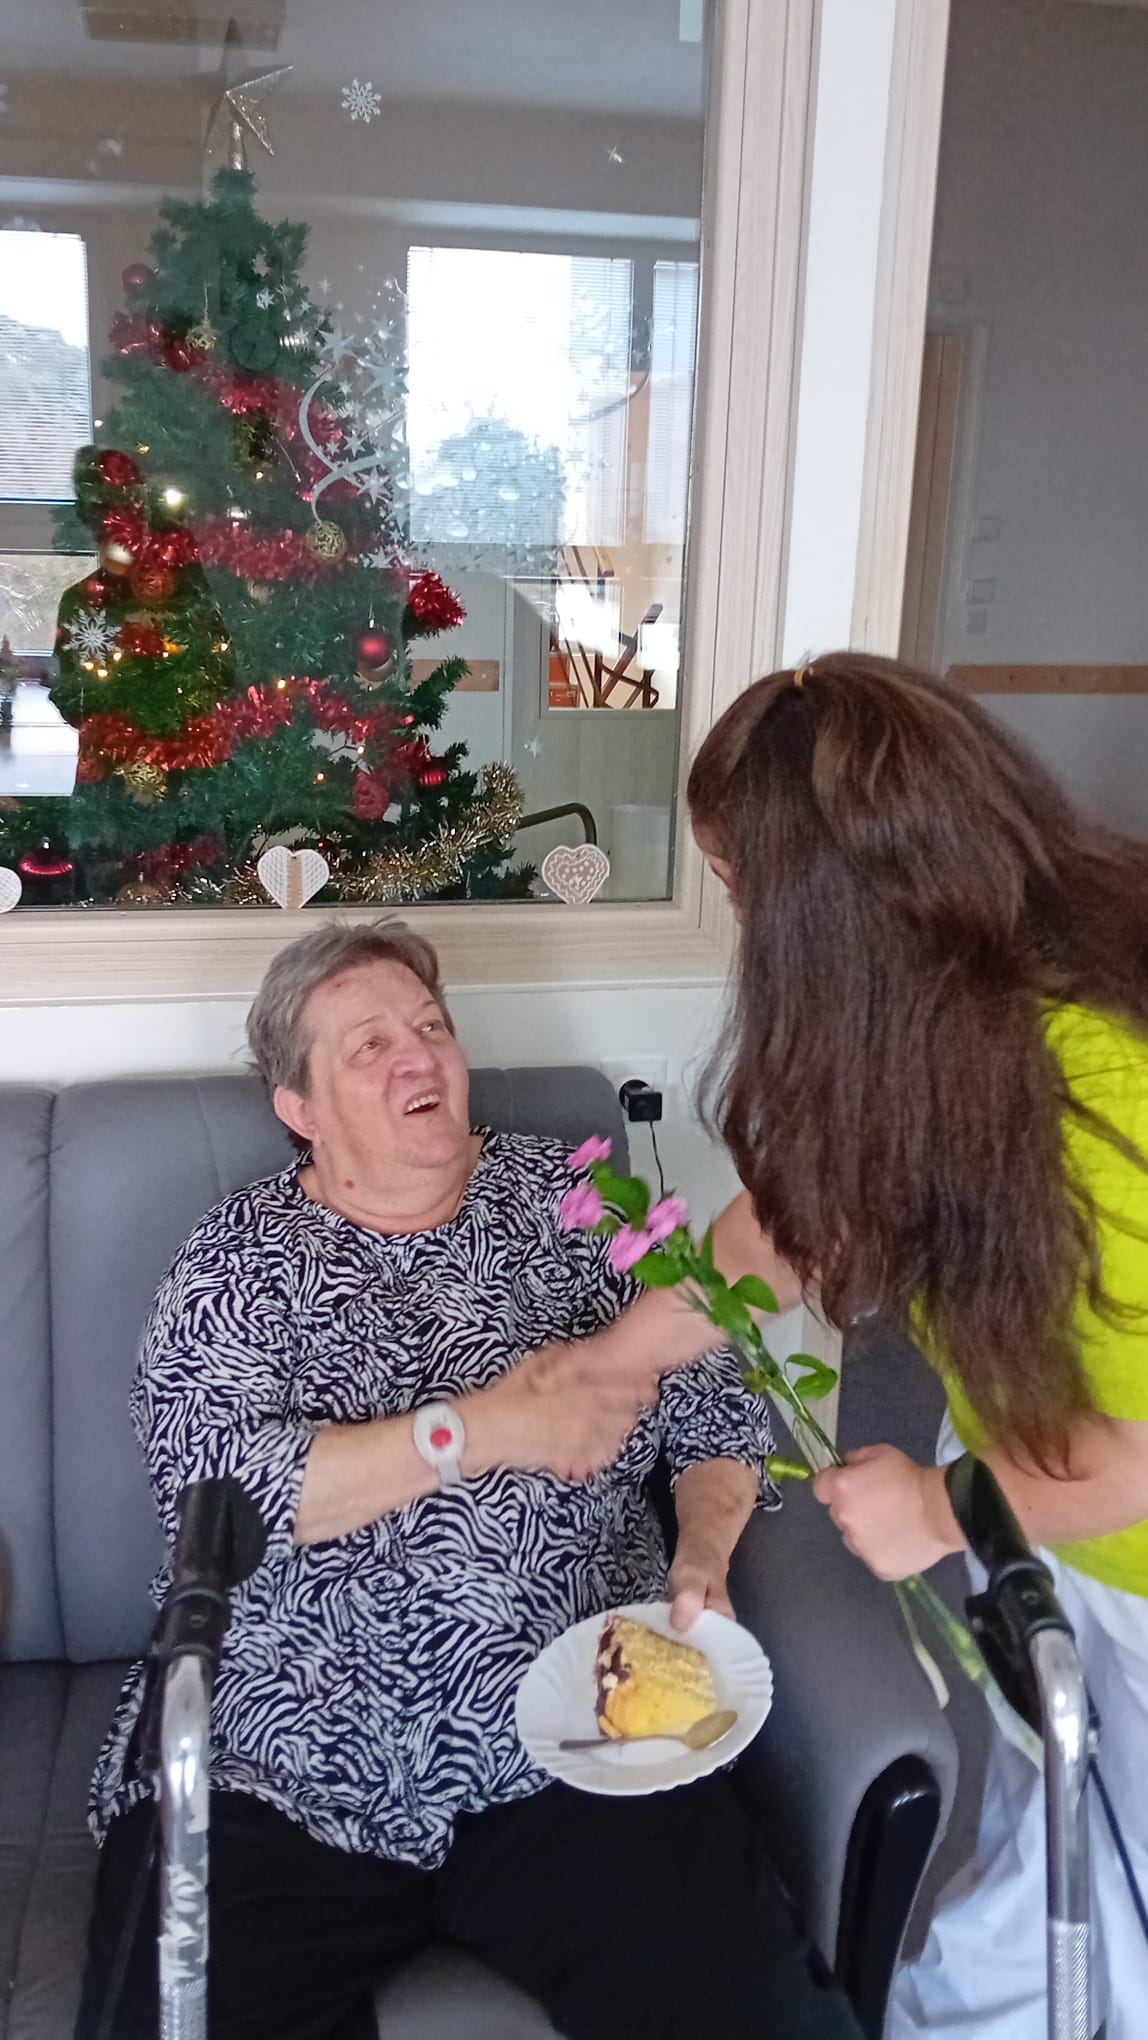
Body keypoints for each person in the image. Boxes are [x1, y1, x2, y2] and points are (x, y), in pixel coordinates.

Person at [76, 918, 856, 2040]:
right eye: (369, 1046)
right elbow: (217, 1498)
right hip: (282, 1756)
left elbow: (714, 1404)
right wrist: (477, 1428)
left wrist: (703, 1554)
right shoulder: (236, 1260)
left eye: (432, 1027)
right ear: (298, 1108)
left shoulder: (580, 1202)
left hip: (578, 1723)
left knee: (758, 2017)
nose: (420, 1056)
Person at [686, 652, 1148, 2040]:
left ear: (828, 915)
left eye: (744, 893)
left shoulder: (1099, 1087)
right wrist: (618, 1353)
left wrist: (944, 1508)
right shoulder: (941, 1033)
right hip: (1045, 1513)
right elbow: (788, 1224)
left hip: (1111, 1530)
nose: (745, 935)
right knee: (1037, 1855)